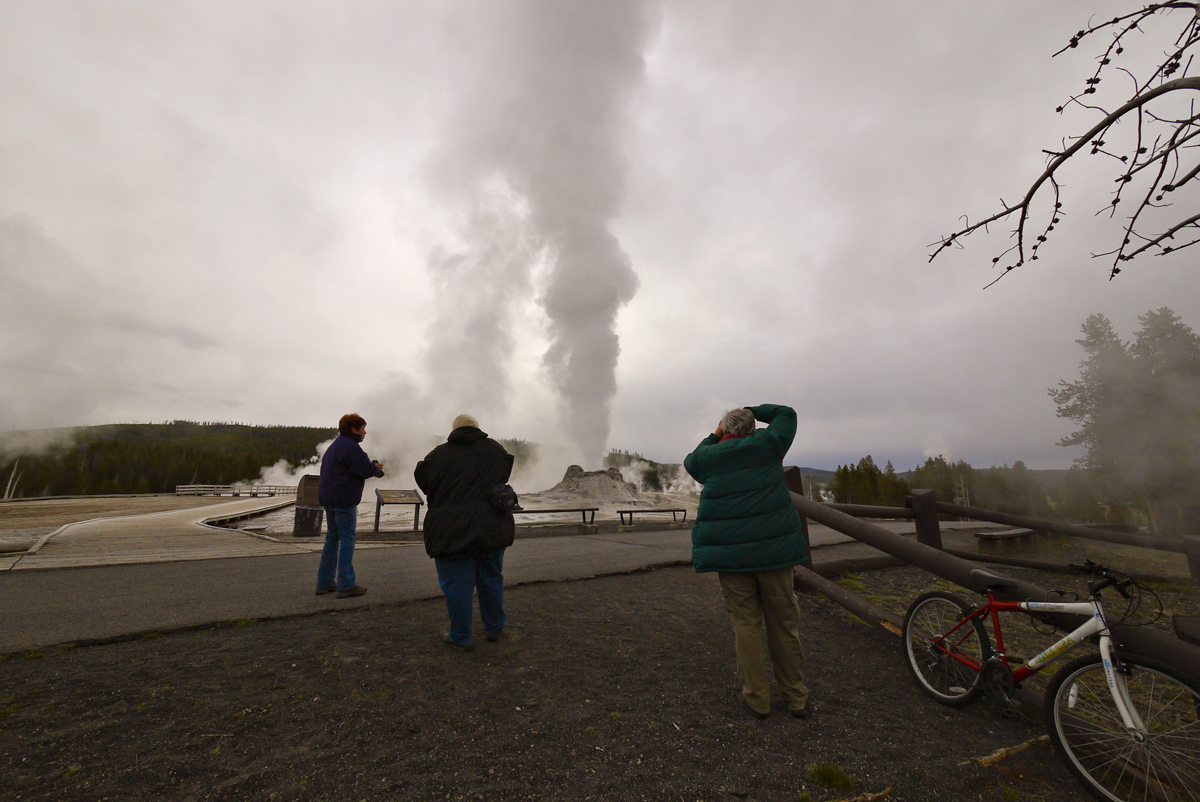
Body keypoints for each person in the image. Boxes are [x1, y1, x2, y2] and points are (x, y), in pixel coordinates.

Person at [684, 404, 811, 719]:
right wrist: (753, 409)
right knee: (784, 624)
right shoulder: (768, 445)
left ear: (725, 431)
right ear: (752, 427)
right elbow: (787, 414)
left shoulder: (710, 459)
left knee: (746, 625)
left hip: (732, 557)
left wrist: (717, 433)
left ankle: (757, 699)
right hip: (775, 554)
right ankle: (796, 698)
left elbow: (691, 460)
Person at [414, 414, 515, 652]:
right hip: (491, 526)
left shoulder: (438, 455)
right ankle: (494, 627)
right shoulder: (496, 450)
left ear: (454, 430)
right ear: (477, 428)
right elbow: (504, 476)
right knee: (491, 578)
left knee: (457, 584)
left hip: (451, 529)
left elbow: (424, 480)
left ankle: (460, 635)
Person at [316, 413, 384, 599]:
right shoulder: (351, 447)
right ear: (353, 430)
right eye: (362, 428)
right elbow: (362, 470)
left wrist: (370, 467)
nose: (365, 432)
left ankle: (325, 582)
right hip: (343, 500)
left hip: (329, 499)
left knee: (332, 538)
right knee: (347, 539)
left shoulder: (336, 446)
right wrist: (375, 468)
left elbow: (353, 468)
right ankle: (346, 584)